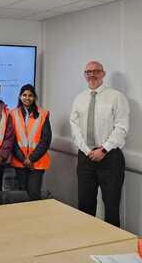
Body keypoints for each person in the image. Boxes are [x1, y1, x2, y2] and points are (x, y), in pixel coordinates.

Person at [70, 61, 129, 227]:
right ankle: (87, 242)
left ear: (103, 74)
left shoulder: (116, 97)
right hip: (85, 157)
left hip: (110, 158)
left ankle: (111, 249)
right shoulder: (79, 99)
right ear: (84, 75)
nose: (92, 75)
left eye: (96, 71)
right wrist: (87, 150)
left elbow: (121, 128)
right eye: (88, 72)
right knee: (85, 205)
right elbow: (74, 128)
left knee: (111, 206)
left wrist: (103, 149)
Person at [10, 84, 51, 200]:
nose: (27, 98)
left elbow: (46, 140)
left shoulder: (43, 114)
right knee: (22, 194)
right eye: (24, 95)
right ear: (19, 97)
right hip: (20, 162)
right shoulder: (12, 114)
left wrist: (31, 159)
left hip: (37, 163)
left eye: (30, 95)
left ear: (34, 98)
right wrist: (23, 159)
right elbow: (11, 140)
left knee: (34, 193)